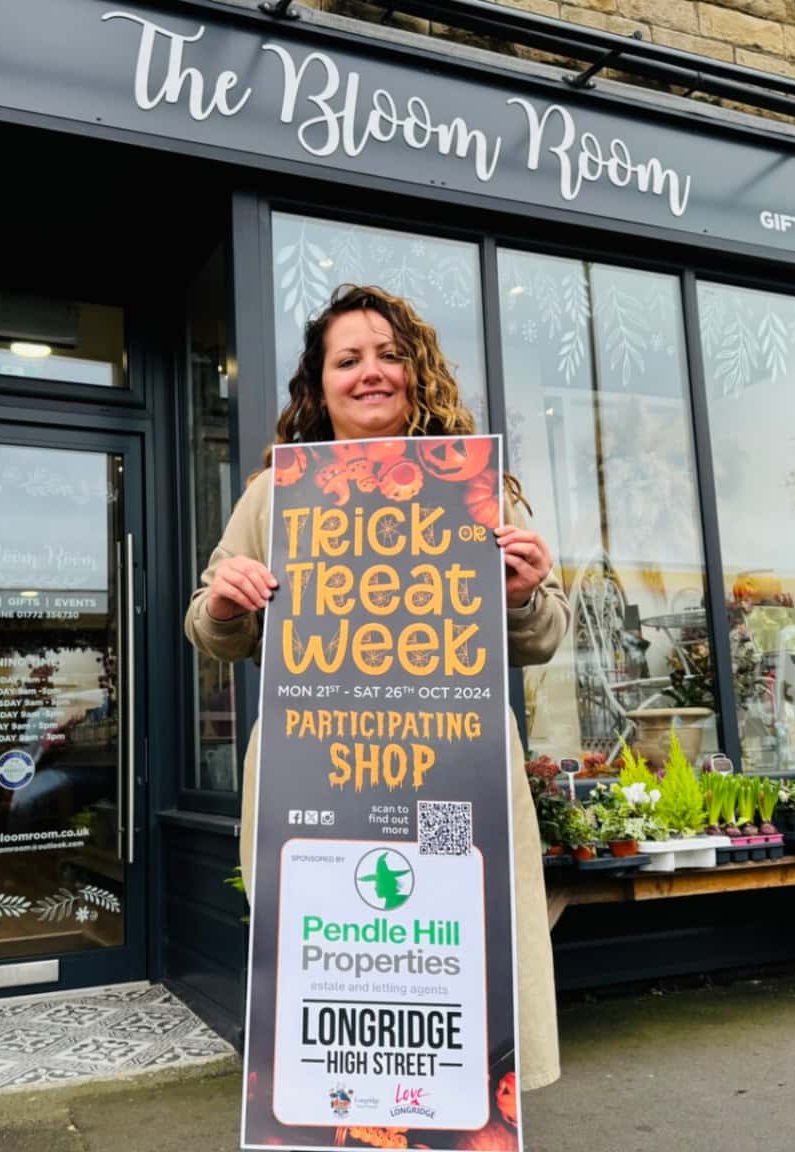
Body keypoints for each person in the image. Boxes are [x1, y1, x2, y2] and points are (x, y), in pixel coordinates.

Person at [183, 283, 571, 1092]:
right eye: (348, 359)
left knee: (451, 953)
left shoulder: (475, 491)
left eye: (391, 355)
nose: (371, 372)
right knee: (335, 966)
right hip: (316, 778)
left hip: (453, 779)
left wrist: (523, 594)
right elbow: (213, 629)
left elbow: (540, 637)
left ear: (417, 372)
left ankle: (454, 1114)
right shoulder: (275, 496)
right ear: (318, 384)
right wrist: (224, 601)